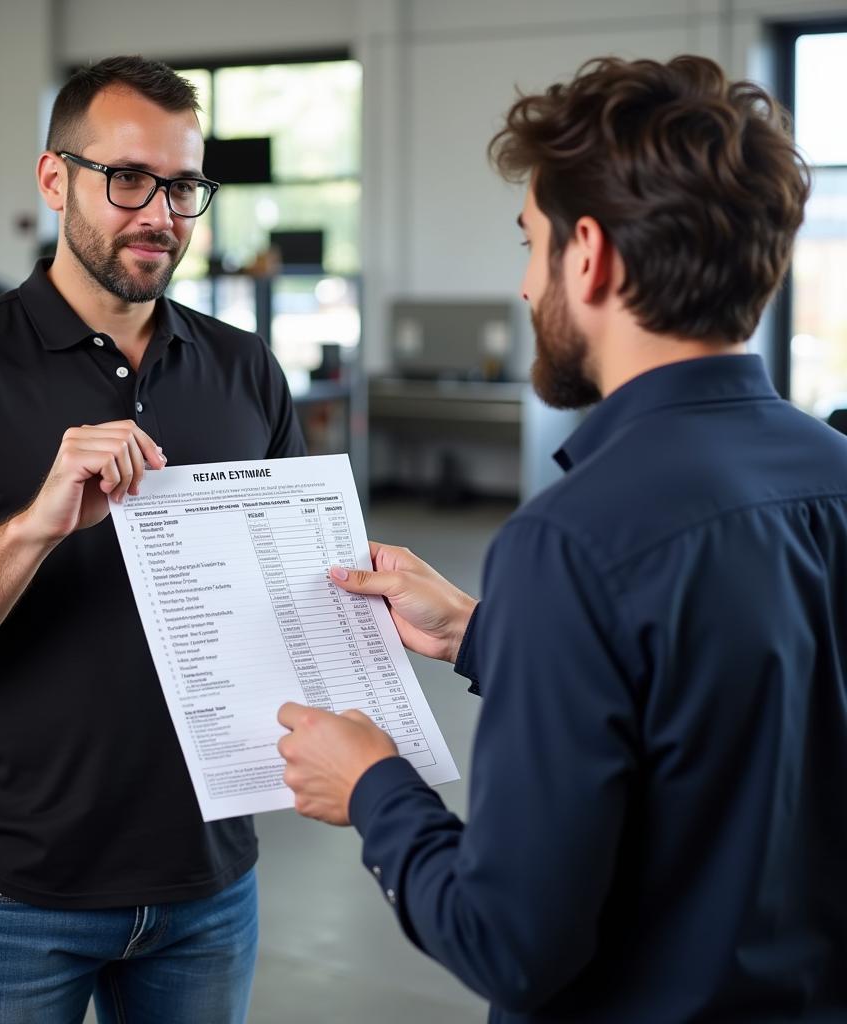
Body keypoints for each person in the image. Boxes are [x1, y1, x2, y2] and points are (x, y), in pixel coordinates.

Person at [278, 54, 847, 1023]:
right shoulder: (829, 473)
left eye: (530, 243)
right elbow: (724, 711)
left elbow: (508, 941)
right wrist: (478, 631)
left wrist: (373, 785)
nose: (522, 285)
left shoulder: (570, 542)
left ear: (589, 255)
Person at [0, 56, 305, 1024]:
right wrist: (36, 525)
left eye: (183, 186)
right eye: (128, 177)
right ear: (55, 178)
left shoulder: (245, 371)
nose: (161, 213)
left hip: (208, 883)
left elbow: (288, 602)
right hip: (15, 888)